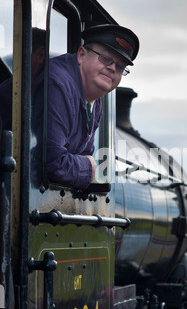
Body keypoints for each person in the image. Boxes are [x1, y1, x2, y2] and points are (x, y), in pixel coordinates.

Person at [32, 24, 139, 190]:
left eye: (120, 66)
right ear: (81, 55)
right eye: (105, 58)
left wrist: (81, 164)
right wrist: (89, 167)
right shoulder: (57, 84)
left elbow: (81, 154)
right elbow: (53, 163)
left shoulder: (95, 101)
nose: (112, 68)